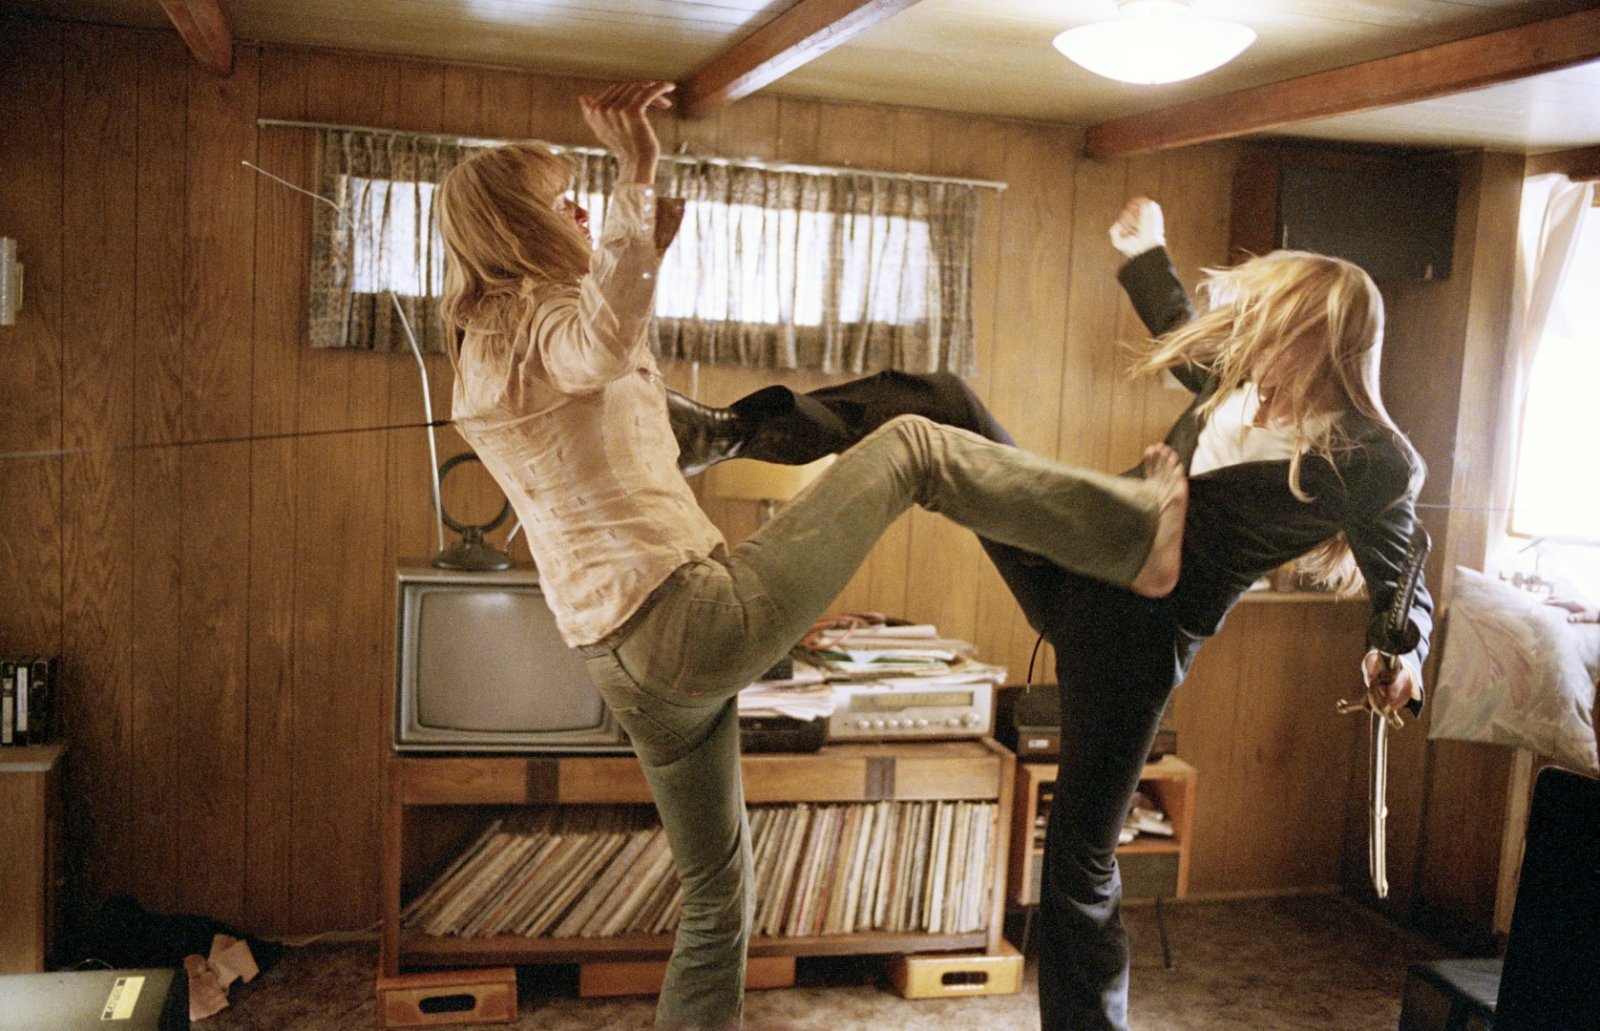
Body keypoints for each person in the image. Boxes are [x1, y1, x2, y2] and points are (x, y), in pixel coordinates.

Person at [433, 80, 1192, 1031]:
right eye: (560, 201)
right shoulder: (546, 322)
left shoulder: (485, 349)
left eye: (581, 196)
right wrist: (635, 172)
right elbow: (596, 339)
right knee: (915, 443)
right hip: (683, 618)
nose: (578, 209)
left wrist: (639, 248)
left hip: (619, 661)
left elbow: (609, 395)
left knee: (717, 896)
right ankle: (1134, 534)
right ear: (515, 227)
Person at [669, 197, 1434, 1031]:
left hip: (1138, 639)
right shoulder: (1232, 383)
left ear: (1322, 338)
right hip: (1076, 556)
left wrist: (1399, 651)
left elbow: (1402, 570)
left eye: (1270, 328)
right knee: (940, 400)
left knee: (1079, 859)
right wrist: (1146, 248)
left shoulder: (1372, 456)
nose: (1249, 341)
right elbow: (1180, 325)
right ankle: (734, 431)